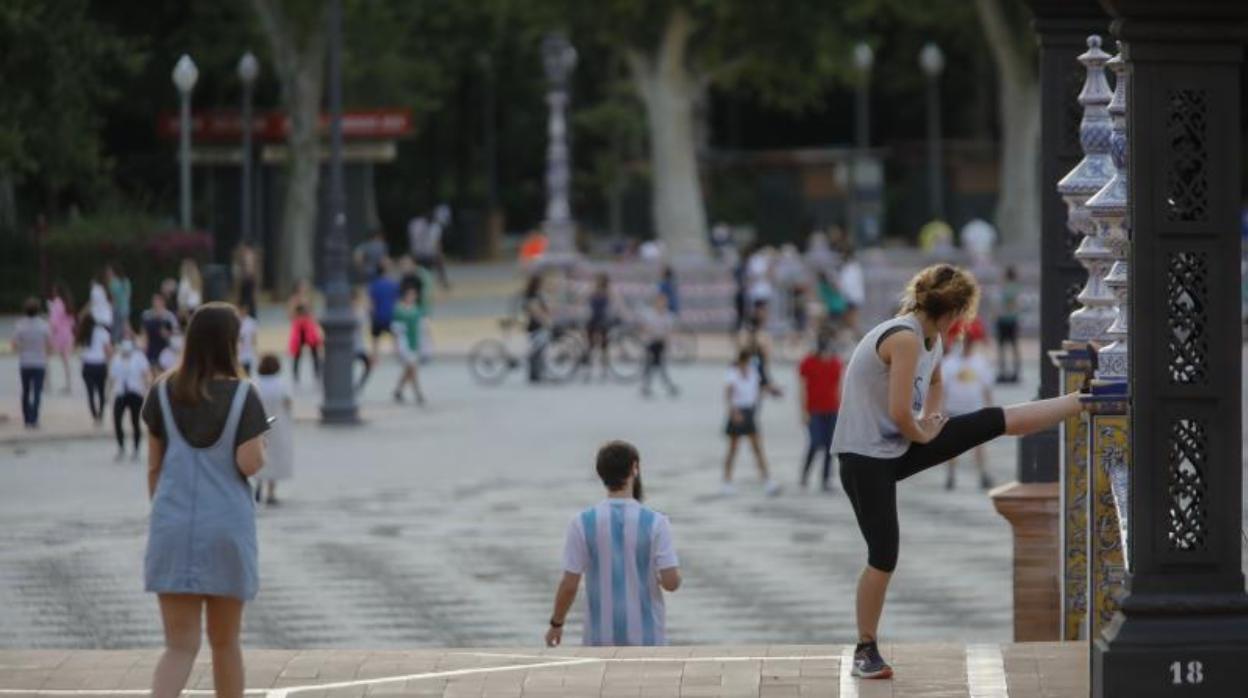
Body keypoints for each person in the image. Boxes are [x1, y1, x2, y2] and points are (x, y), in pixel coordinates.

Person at [831, 263, 1089, 679]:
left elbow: (932, 386)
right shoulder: (904, 338)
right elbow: (900, 412)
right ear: (954, 312)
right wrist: (924, 431)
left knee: (989, 420)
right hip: (863, 458)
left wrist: (932, 420)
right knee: (883, 554)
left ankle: (1083, 400)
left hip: (897, 445)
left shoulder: (930, 339)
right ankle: (865, 648)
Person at [141, 302, 269, 698]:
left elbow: (153, 469)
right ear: (231, 344)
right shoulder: (245, 395)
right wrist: (260, 441)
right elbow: (249, 464)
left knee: (179, 646)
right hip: (225, 530)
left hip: (173, 527)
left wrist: (166, 513)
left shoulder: (163, 391)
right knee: (225, 643)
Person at [545, 441, 680, 647]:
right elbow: (671, 583)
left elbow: (569, 584)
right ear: (635, 468)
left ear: (601, 474)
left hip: (599, 640)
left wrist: (557, 623)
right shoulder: (656, 522)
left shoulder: (582, 522)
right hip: (649, 639)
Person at [939, 330, 996, 491]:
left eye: (969, 342)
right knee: (951, 448)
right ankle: (950, 475)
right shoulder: (949, 363)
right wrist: (941, 410)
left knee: (978, 447)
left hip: (974, 410)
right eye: (964, 342)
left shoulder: (980, 362)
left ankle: (983, 474)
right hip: (953, 410)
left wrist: (990, 409)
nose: (966, 345)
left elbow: (987, 388)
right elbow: (942, 389)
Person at [723, 349, 780, 496]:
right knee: (733, 449)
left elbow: (760, 388)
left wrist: (774, 391)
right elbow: (728, 393)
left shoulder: (753, 373)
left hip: (749, 412)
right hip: (737, 412)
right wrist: (733, 412)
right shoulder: (732, 373)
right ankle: (727, 481)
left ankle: (767, 480)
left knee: (757, 449)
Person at [798, 334, 843, 492]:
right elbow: (802, 387)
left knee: (830, 445)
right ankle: (805, 474)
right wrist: (803, 411)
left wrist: (842, 410)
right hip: (814, 409)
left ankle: (825, 479)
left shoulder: (836, 363)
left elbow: (839, 387)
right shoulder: (808, 362)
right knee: (815, 442)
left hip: (832, 409)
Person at [253, 354, 293, 505]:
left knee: (258, 454)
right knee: (275, 458)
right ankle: (271, 492)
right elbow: (288, 403)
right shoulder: (281, 384)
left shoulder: (255, 383)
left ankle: (257, 485)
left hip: (258, 424)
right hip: (277, 426)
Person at [12, 297, 52, 429]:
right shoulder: (43, 325)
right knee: (37, 392)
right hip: (39, 362)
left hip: (25, 362)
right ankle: (34, 418)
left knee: (26, 391)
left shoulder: (20, 325)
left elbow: (14, 345)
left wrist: (23, 348)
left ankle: (26, 417)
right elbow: (49, 344)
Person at [108, 337, 150, 461]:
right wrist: (108, 393)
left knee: (135, 422)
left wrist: (147, 388)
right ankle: (121, 447)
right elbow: (112, 378)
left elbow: (145, 373)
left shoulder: (139, 357)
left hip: (135, 393)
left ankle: (136, 450)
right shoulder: (116, 359)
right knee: (117, 420)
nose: (126, 354)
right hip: (120, 392)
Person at [639, 294, 679, 398]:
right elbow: (644, 328)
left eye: (663, 302)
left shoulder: (669, 316)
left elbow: (669, 332)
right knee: (648, 365)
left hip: (660, 343)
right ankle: (646, 386)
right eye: (659, 302)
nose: (661, 304)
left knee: (662, 367)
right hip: (650, 342)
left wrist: (670, 344)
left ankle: (668, 385)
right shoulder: (649, 314)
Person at [391, 285, 425, 404]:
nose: (412, 297)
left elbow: (421, 328)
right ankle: (418, 393)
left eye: (414, 295)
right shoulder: (399, 311)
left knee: (408, 370)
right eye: (409, 295)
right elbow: (396, 329)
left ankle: (398, 390)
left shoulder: (417, 310)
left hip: (414, 342)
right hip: (403, 343)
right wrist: (395, 345)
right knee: (412, 368)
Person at [77, 311, 112, 424]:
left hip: (87, 365)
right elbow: (108, 351)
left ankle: (94, 415)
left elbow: (78, 351)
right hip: (100, 365)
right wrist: (109, 362)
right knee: (101, 392)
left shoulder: (83, 333)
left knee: (90, 393)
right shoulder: (103, 332)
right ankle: (100, 414)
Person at [582, 273, 617, 380]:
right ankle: (589, 369)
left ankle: (604, 370)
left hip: (603, 319)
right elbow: (584, 299)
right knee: (590, 346)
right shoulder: (592, 290)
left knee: (604, 347)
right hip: (593, 318)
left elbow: (615, 302)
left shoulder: (608, 291)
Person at [367, 259, 400, 358]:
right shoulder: (393, 284)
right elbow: (397, 302)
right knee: (396, 336)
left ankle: (374, 357)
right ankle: (398, 354)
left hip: (378, 315)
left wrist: (371, 315)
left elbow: (371, 303)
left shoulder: (374, 284)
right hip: (390, 315)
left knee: (375, 338)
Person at [47, 282, 76, 394]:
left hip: (57, 335)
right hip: (68, 335)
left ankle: (47, 384)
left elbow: (53, 322)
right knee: (66, 361)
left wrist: (50, 335)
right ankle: (68, 385)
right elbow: (72, 322)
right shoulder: (68, 303)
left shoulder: (57, 303)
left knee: (46, 358)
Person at [522, 274, 551, 384]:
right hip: (536, 326)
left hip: (536, 325)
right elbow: (535, 311)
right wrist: (546, 322)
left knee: (539, 350)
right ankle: (535, 373)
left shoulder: (537, 295)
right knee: (537, 351)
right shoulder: (532, 296)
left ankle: (536, 373)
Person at [287, 296, 322, 386]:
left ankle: (317, 373)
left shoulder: (308, 313)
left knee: (314, 355)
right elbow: (290, 315)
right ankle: (295, 375)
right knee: (297, 356)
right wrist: (294, 303)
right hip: (299, 333)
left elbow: (314, 317)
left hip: (308, 333)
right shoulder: (296, 308)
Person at [995, 265, 1022, 383]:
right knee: (1014, 347)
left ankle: (1003, 371)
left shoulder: (1004, 288)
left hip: (1003, 320)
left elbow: (1001, 305)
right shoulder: (1016, 288)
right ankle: (1016, 371)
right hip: (1013, 321)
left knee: (1002, 349)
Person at [142, 294, 180, 371]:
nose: (156, 303)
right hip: (152, 346)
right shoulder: (147, 315)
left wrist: (168, 334)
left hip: (165, 346)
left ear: (163, 302)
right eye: (155, 301)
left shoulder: (169, 316)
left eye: (158, 301)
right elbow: (144, 331)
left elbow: (176, 331)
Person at [838, 246, 865, 336]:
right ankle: (854, 335)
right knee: (848, 319)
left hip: (852, 296)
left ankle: (857, 336)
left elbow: (849, 283)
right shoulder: (847, 267)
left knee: (852, 319)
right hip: (849, 296)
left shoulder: (853, 267)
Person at [351, 287, 374, 392]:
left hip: (359, 345)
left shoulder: (361, 311)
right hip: (350, 345)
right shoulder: (348, 311)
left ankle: (358, 386)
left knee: (369, 364)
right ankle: (351, 386)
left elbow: (365, 326)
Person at [106, 264, 133, 343]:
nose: (108, 273)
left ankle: (116, 343)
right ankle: (125, 342)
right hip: (125, 308)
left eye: (109, 271)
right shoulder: (126, 281)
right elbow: (128, 296)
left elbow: (112, 298)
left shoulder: (112, 282)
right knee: (124, 328)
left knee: (116, 329)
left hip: (117, 309)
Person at [232, 243, 260, 319]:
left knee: (250, 304)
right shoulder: (240, 261)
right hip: (243, 282)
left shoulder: (252, 257)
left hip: (249, 282)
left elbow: (254, 273)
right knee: (242, 303)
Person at [177, 259, 203, 323]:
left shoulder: (185, 281)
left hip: (188, 308)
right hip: (196, 307)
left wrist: (182, 310)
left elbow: (182, 298)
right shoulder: (197, 281)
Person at [237, 308, 258, 376]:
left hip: (247, 353)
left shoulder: (251, 322)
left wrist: (254, 350)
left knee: (247, 373)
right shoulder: (235, 321)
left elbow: (253, 337)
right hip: (238, 354)